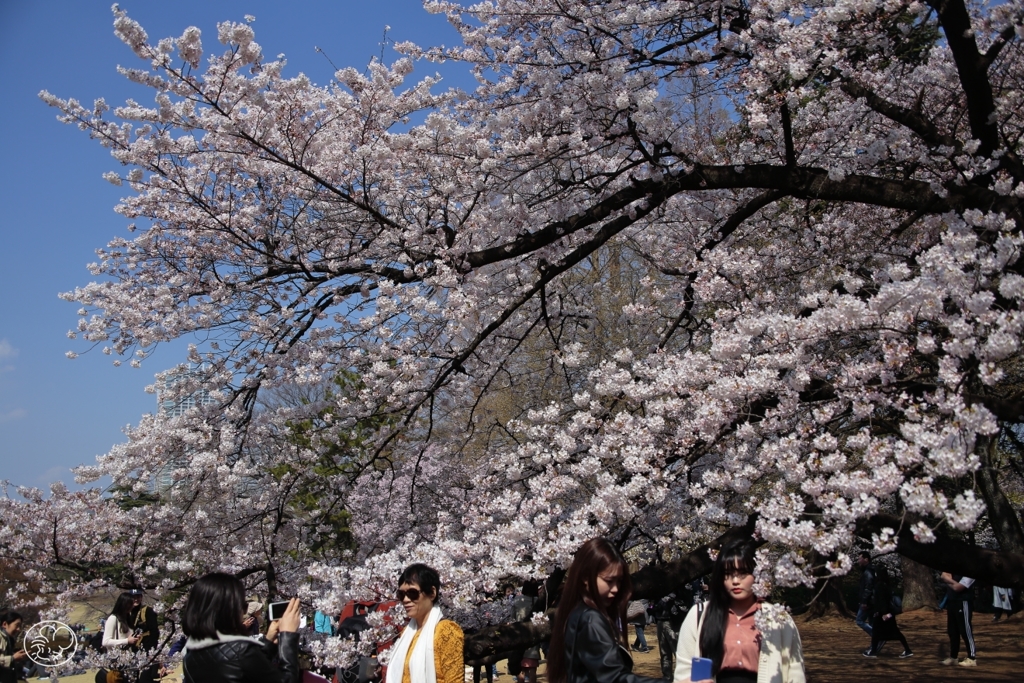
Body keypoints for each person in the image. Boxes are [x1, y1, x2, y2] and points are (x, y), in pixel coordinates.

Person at [674, 541, 805, 683]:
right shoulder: (699, 615)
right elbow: (683, 672)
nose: (735, 581)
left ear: (757, 574)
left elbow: (795, 671)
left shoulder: (778, 618)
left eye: (743, 573)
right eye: (728, 574)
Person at [546, 537, 666, 683]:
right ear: (585, 577)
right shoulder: (590, 619)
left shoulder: (577, 612)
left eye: (619, 581)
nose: (615, 589)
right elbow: (614, 678)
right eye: (609, 581)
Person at [181, 572, 302, 683]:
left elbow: (244, 667)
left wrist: (268, 642)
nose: (244, 612)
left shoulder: (190, 655)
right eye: (243, 606)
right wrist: (288, 636)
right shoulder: (242, 651)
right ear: (227, 611)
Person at [385, 563, 464, 683]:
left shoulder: (446, 631)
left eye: (412, 593)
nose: (406, 600)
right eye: (401, 595)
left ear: (432, 593)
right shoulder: (407, 633)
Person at [861, 566, 912, 658]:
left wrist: (883, 613)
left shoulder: (879, 585)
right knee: (895, 632)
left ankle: (873, 652)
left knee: (877, 632)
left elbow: (882, 600)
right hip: (888, 613)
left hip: (882, 614)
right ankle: (907, 650)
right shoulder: (886, 585)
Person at [103, 593, 143, 682]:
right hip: (118, 661)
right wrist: (127, 641)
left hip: (130, 660)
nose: (132, 606)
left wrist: (134, 638)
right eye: (130, 604)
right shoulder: (113, 619)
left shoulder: (127, 618)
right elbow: (105, 642)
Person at [940, 572, 977, 667]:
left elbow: (958, 588)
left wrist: (948, 581)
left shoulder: (970, 572)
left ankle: (972, 658)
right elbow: (944, 575)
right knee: (952, 631)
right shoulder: (954, 567)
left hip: (963, 601)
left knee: (965, 630)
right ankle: (953, 657)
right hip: (952, 601)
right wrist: (953, 582)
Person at [653, 591, 689, 678]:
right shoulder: (658, 586)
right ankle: (667, 676)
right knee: (664, 651)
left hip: (673, 622)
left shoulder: (679, 585)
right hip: (660, 621)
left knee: (677, 650)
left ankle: (683, 676)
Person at [128, 589, 161, 683]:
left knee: (145, 679)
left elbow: (154, 632)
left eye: (138, 597)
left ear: (141, 597)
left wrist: (151, 651)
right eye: (133, 597)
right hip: (132, 651)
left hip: (146, 650)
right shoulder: (128, 613)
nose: (136, 599)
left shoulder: (147, 611)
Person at [512, 582, 541, 683]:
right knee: (532, 669)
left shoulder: (517, 600)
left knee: (521, 670)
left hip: (519, 635)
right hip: (532, 636)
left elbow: (512, 617)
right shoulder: (537, 601)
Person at [0, 610, 27, 683]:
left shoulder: (8, 639)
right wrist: (13, 658)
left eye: (20, 626)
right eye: (17, 625)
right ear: (5, 624)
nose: (18, 629)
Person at [854, 552, 875, 642]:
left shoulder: (868, 572)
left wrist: (864, 601)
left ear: (866, 559)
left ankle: (877, 636)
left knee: (859, 620)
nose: (858, 561)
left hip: (868, 601)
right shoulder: (868, 570)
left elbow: (868, 587)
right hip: (872, 601)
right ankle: (875, 645)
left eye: (860, 559)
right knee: (871, 622)